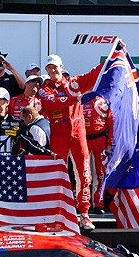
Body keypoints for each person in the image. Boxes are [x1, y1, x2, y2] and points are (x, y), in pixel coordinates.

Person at [38, 52, 107, 231]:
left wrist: (110, 58)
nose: (53, 70)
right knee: (57, 174)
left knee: (84, 174)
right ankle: (57, 214)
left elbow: (93, 75)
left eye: (55, 67)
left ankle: (84, 214)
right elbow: (52, 103)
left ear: (62, 67)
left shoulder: (73, 83)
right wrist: (75, 96)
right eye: (49, 67)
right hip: (58, 135)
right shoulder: (43, 89)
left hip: (78, 134)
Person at [82, 93, 111, 210]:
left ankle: (98, 203)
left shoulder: (103, 101)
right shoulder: (80, 101)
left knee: (100, 173)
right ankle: (83, 202)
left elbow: (111, 123)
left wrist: (109, 143)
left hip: (100, 139)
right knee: (83, 172)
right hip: (83, 140)